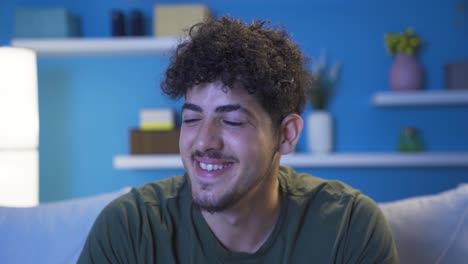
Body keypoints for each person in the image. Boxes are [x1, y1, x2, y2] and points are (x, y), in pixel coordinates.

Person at [78, 17, 399, 263]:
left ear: (286, 135)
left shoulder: (349, 228)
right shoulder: (132, 229)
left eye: (231, 120)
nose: (204, 141)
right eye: (191, 118)